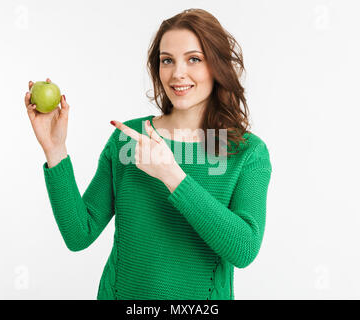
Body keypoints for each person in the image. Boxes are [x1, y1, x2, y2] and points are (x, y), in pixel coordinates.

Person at [24, 8, 272, 300]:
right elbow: (80, 233)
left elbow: (244, 249)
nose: (178, 73)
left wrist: (173, 176)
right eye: (167, 60)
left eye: (194, 59)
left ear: (216, 66)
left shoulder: (246, 152)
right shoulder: (129, 139)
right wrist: (55, 150)